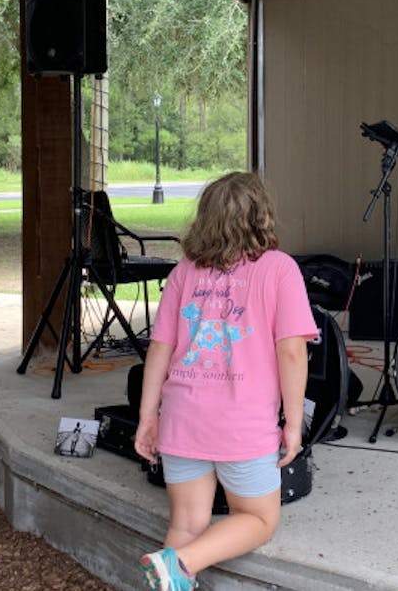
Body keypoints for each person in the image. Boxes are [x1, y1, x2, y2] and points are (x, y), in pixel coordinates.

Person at [134, 171, 317, 591]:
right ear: (263, 216)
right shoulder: (280, 269)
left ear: (205, 219)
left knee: (186, 524)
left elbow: (159, 348)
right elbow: (291, 352)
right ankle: (181, 563)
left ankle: (173, 566)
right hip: (242, 424)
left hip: (182, 418)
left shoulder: (184, 272)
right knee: (258, 519)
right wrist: (293, 423)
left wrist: (148, 416)